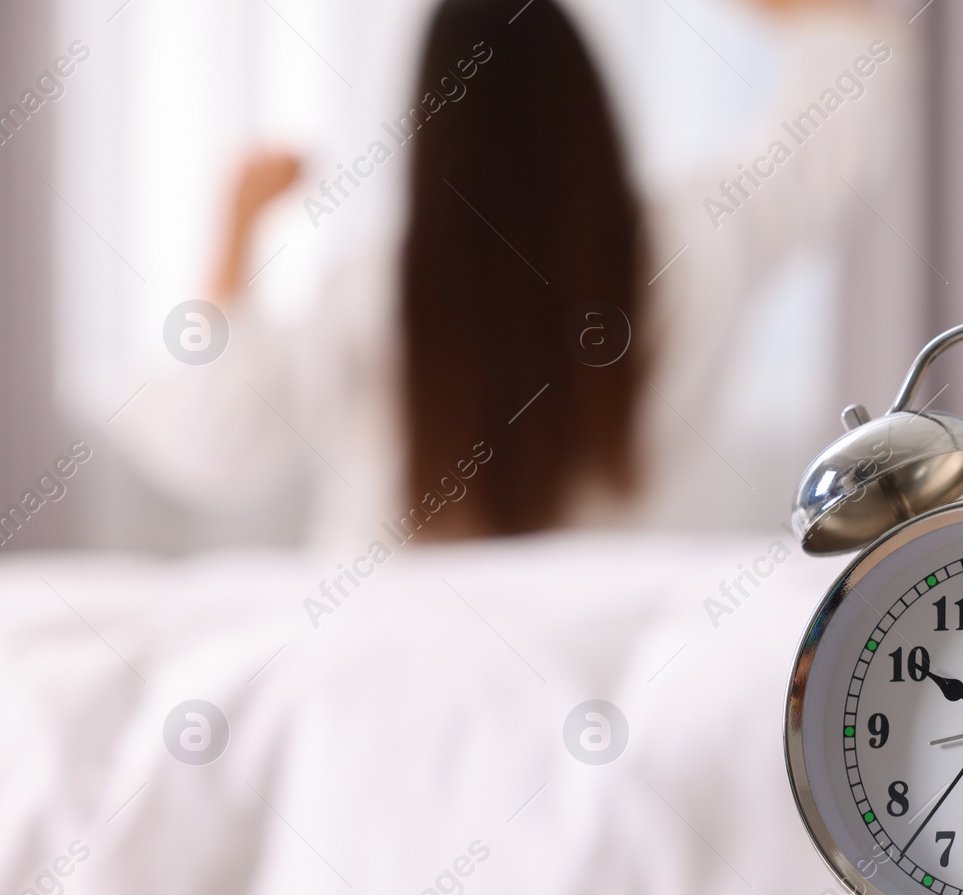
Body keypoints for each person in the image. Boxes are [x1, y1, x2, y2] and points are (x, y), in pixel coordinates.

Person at [114, 0, 894, 549]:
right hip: (607, 663)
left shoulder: (375, 288)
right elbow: (834, 142)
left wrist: (239, 220)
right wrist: (811, 13)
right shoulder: (690, 245)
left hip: (387, 673)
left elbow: (206, 437)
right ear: (591, 108)